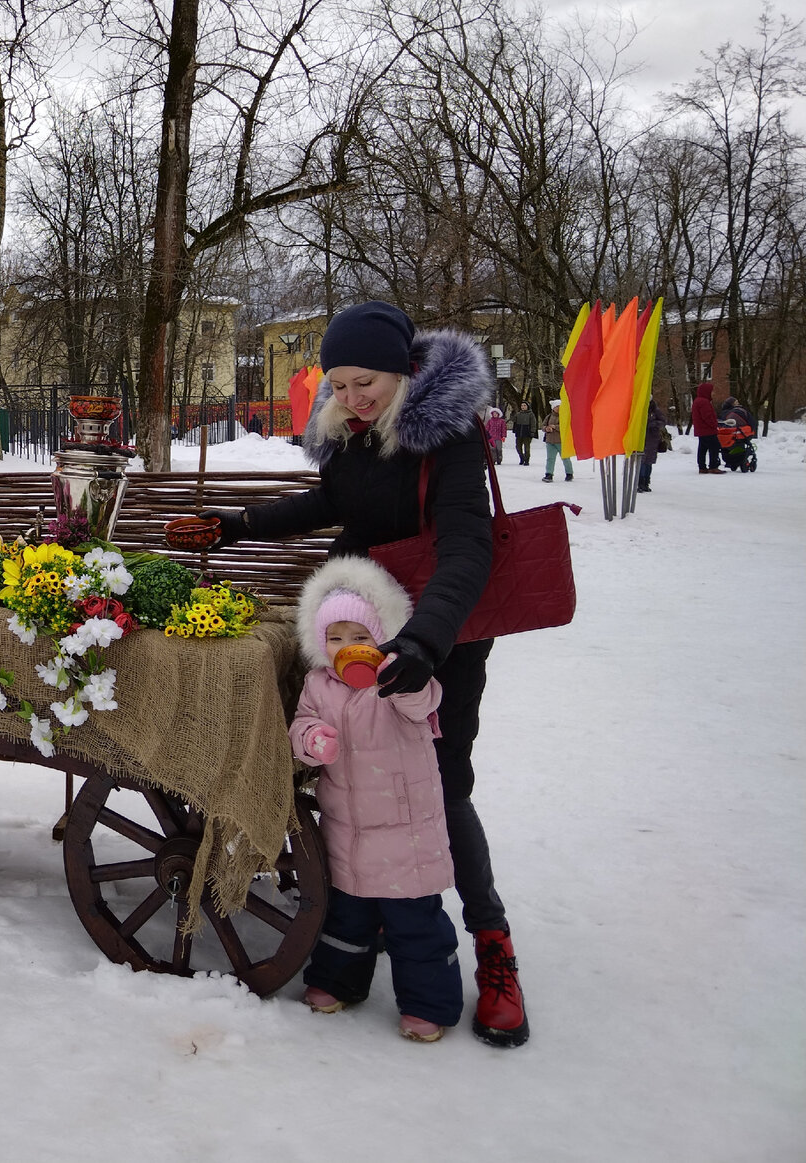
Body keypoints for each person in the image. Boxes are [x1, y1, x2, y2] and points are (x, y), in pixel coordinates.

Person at [207, 300, 529, 1048]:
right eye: (340, 384)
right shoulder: (348, 435)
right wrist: (239, 524)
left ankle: (492, 945)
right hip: (355, 637)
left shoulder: (445, 435)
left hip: (431, 641)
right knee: (346, 773)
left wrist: (424, 637)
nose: (353, 399)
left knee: (440, 787)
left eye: (367, 383)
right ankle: (367, 912)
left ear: (402, 371)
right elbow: (334, 501)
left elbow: (467, 548)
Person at [290, 556, 462, 1042]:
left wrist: (400, 671)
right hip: (347, 827)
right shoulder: (317, 685)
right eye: (336, 638)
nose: (348, 649)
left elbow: (425, 703)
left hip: (406, 832)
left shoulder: (401, 680)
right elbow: (300, 724)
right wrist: (311, 739)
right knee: (347, 915)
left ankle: (429, 1005)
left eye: (360, 637)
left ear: (382, 636)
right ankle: (335, 982)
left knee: (416, 925)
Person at [691, 382, 724, 474]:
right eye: (712, 391)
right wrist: (714, 424)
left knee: (702, 448)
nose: (713, 393)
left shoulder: (698, 401)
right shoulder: (704, 402)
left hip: (701, 430)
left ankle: (702, 466)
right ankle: (713, 466)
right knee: (715, 446)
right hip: (707, 430)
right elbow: (707, 416)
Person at [637, 398, 668, 493]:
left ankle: (646, 482)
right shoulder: (639, 408)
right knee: (641, 461)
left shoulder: (655, 410)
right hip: (641, 438)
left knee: (648, 462)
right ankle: (640, 483)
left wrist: (653, 424)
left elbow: (663, 421)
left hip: (652, 439)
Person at [541, 400, 573, 482]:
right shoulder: (548, 417)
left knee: (565, 458)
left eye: (559, 406)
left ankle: (569, 473)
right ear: (553, 408)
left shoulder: (564, 416)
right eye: (557, 406)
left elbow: (566, 426)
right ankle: (549, 474)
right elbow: (543, 426)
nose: (558, 408)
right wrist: (546, 429)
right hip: (550, 441)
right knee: (550, 459)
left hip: (561, 441)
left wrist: (555, 427)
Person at [512, 401, 535, 465]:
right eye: (522, 405)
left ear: (527, 406)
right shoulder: (518, 414)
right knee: (518, 447)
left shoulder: (531, 414)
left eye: (524, 405)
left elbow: (533, 424)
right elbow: (514, 421)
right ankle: (522, 457)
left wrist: (532, 432)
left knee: (526, 448)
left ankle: (527, 460)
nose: (523, 407)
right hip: (519, 433)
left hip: (527, 433)